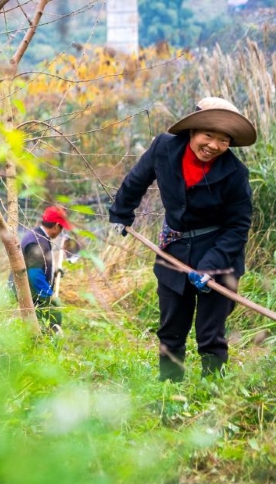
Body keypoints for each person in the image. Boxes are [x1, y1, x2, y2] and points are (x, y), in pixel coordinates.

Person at [108, 97, 257, 381]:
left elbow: (238, 226)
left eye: (224, 140)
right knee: (171, 328)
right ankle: (169, 392)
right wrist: (121, 213)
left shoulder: (235, 174)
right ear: (192, 131)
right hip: (173, 250)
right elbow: (137, 180)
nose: (213, 145)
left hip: (219, 255)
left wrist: (210, 264)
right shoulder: (164, 148)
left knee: (210, 333)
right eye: (208, 135)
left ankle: (211, 394)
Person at [15, 206, 73, 335]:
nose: (61, 231)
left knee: (41, 324)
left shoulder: (38, 236)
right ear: (57, 226)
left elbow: (39, 264)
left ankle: (42, 344)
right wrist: (49, 296)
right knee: (53, 319)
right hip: (34, 293)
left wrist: (53, 271)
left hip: (33, 291)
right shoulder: (36, 242)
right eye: (61, 228)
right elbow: (34, 274)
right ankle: (48, 346)